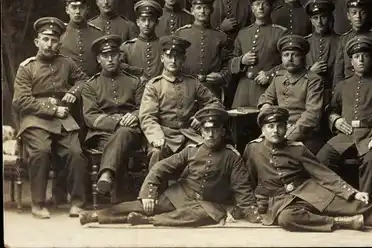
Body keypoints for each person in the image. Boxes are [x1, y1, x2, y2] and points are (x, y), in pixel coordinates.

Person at [243, 106, 372, 234]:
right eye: (270, 126)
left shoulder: (297, 148)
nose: (275, 130)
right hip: (279, 202)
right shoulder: (253, 149)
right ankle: (341, 222)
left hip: (310, 192)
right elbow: (249, 180)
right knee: (287, 219)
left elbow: (324, 174)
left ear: (286, 128)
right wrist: (251, 206)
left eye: (279, 126)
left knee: (362, 207)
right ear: (262, 130)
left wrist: (352, 192)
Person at [79, 107, 261, 227]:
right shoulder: (190, 151)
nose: (211, 135)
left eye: (215, 130)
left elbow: (242, 188)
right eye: (207, 130)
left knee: (203, 215)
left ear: (222, 132)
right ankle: (96, 216)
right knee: (142, 205)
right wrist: (148, 195)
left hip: (207, 204)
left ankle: (149, 221)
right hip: (180, 194)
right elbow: (160, 168)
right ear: (201, 132)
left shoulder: (232, 157)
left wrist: (251, 211)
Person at [12, 17, 88, 219]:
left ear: (59, 44)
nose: (49, 44)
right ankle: (38, 203)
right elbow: (21, 101)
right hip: (35, 119)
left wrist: (74, 91)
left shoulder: (66, 63)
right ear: (37, 42)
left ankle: (78, 203)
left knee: (76, 153)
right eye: (45, 39)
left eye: (54, 40)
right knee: (41, 151)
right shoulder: (26, 67)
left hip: (63, 118)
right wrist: (52, 110)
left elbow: (83, 80)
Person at [316, 36, 372, 198]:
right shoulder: (342, 85)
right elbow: (331, 109)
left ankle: (365, 203)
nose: (361, 60)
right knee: (322, 158)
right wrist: (336, 120)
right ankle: (334, 200)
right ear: (351, 62)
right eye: (356, 57)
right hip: (344, 136)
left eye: (365, 55)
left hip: (369, 136)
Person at [139, 36, 224, 170]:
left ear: (183, 59)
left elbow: (215, 103)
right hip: (163, 134)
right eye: (169, 56)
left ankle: (196, 189)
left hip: (187, 134)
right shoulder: (154, 85)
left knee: (204, 152)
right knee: (157, 152)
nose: (173, 61)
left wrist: (200, 117)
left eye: (177, 57)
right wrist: (156, 136)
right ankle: (154, 189)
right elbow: (147, 117)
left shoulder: (193, 83)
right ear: (162, 58)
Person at [81, 34, 145, 194]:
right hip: (102, 134)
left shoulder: (135, 82)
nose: (110, 59)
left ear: (120, 57)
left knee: (123, 133)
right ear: (98, 59)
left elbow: (145, 107)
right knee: (118, 138)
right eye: (105, 56)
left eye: (113, 55)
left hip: (131, 132)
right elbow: (90, 116)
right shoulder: (91, 85)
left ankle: (106, 174)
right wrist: (116, 122)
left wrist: (135, 115)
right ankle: (119, 201)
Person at [229, 0, 287, 151]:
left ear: (271, 7)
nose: (260, 7)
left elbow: (290, 64)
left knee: (265, 135)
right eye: (256, 4)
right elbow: (230, 63)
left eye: (264, 3)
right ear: (252, 8)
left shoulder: (280, 33)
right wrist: (242, 60)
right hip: (243, 91)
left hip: (266, 90)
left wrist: (269, 74)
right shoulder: (243, 33)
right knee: (239, 137)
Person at [258, 35, 324, 154]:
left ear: (303, 57)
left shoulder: (313, 80)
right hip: (278, 130)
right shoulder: (279, 77)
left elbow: (312, 115)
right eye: (286, 55)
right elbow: (266, 97)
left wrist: (287, 135)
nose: (290, 59)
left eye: (295, 55)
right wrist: (266, 106)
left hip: (305, 135)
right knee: (256, 150)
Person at [211, 0, 253, 108]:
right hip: (214, 62)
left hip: (239, 63)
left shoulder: (247, 3)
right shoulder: (211, 2)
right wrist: (221, 29)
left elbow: (252, 31)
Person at [174, 0, 230, 99]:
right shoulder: (181, 34)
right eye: (198, 8)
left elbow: (228, 63)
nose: (202, 11)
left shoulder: (221, 36)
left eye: (206, 8)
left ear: (211, 10)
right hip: (185, 88)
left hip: (212, 90)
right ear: (192, 10)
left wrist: (221, 76)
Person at [59, 0, 103, 76]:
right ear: (67, 10)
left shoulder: (98, 34)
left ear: (87, 9)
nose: (77, 11)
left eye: (81, 7)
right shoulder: (59, 34)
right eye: (74, 7)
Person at [304, 0, 340, 104]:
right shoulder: (305, 42)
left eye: (323, 17)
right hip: (308, 95)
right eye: (315, 18)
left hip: (334, 95)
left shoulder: (341, 41)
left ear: (329, 18)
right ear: (311, 20)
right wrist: (310, 71)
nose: (319, 22)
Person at [120, 0, 164, 81]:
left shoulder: (163, 46)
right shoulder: (127, 47)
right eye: (143, 20)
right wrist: (136, 71)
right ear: (137, 22)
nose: (146, 24)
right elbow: (118, 64)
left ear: (156, 23)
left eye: (150, 20)